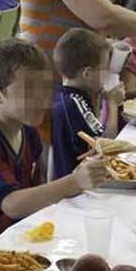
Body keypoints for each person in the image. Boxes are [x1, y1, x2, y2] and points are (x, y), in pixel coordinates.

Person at [0, 38, 107, 250]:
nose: (44, 100)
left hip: (25, 234)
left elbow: (36, 190)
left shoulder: (27, 131)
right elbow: (11, 205)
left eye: (46, 88)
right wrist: (74, 182)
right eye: (30, 91)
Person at [51, 29, 124, 179]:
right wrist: (112, 103)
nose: (107, 74)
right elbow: (108, 143)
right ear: (88, 74)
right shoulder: (74, 102)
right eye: (104, 69)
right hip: (79, 187)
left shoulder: (64, 95)